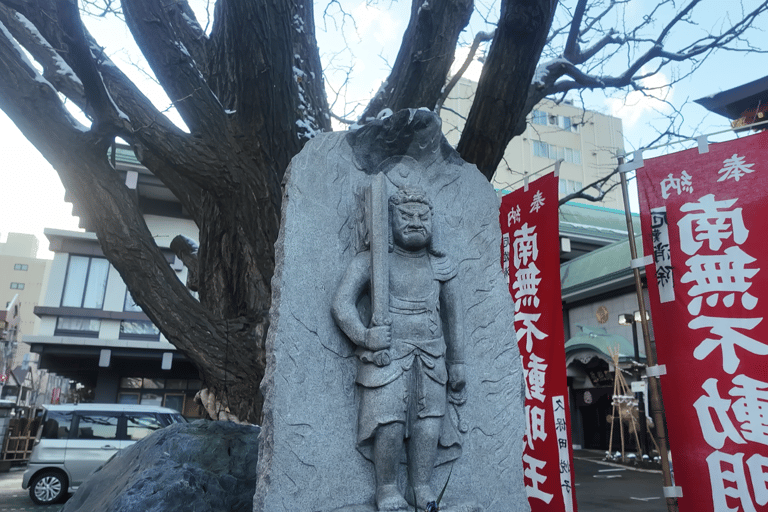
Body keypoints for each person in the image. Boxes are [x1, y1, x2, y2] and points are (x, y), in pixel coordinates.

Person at [332, 185, 465, 511]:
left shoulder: (439, 266)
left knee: (428, 425)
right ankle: (387, 487)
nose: (416, 222)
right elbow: (341, 304)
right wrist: (365, 336)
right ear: (389, 221)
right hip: (387, 357)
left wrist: (458, 360)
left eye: (423, 216)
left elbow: (453, 316)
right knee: (388, 424)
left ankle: (422, 485)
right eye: (406, 216)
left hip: (432, 355)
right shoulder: (373, 262)